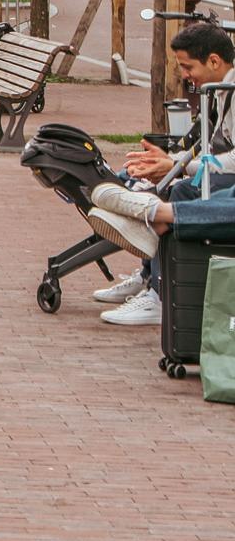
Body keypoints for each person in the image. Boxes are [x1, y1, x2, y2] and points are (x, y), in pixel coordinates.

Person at [88, 22, 235, 324]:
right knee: (172, 184)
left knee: (180, 189)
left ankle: (157, 276)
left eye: (187, 66)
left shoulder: (229, 93)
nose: (185, 75)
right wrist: (170, 162)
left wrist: (180, 167)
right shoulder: (218, 93)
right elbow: (209, 149)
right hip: (223, 176)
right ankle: (150, 271)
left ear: (214, 61)